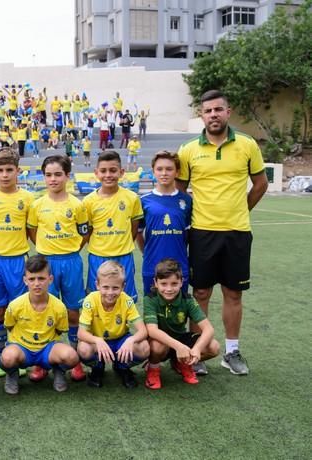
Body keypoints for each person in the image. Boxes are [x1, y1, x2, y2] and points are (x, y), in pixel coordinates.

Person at [176, 89, 268, 376]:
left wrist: (241, 210)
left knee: (233, 293)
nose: (213, 115)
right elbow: (180, 191)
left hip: (237, 232)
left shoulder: (246, 144)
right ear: (201, 115)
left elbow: (260, 183)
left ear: (228, 112)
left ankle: (231, 352)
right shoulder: (189, 150)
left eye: (218, 109)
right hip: (202, 232)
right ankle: (197, 351)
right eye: (208, 111)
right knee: (200, 292)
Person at [27, 155, 89, 383]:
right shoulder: (37, 205)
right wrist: (46, 250)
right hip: (47, 262)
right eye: (48, 175)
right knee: (44, 311)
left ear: (67, 176)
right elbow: (32, 233)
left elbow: (84, 233)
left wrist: (70, 249)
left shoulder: (77, 205)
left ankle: (75, 360)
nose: (53, 179)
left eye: (58, 174)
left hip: (71, 261)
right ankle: (42, 361)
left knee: (73, 311)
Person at [0, 148, 34, 376]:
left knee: (20, 310)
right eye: (0, 170)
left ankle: (20, 355)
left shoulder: (28, 199)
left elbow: (32, 231)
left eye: (9, 170)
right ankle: (2, 357)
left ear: (18, 171)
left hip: (18, 260)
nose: (5, 174)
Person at [0, 255, 80, 394]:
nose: (37, 283)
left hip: (47, 350)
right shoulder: (15, 305)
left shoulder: (59, 307)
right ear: (25, 280)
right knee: (7, 357)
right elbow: (10, 326)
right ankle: (12, 374)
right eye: (32, 279)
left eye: (41, 278)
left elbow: (59, 331)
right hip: (22, 349)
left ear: (50, 279)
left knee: (72, 356)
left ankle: (58, 370)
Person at [144, 259, 220, 390]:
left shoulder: (188, 300)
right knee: (157, 346)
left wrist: (196, 349)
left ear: (181, 282)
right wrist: (179, 347)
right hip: (161, 342)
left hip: (180, 339)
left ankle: (183, 364)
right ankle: (153, 369)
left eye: (174, 283)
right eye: (164, 284)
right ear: (156, 283)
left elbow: (208, 329)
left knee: (214, 347)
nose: (169, 289)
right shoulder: (150, 299)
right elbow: (152, 331)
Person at [81, 150, 143, 302]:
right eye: (103, 171)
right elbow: (88, 231)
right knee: (97, 299)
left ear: (121, 172)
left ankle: (123, 327)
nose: (108, 175)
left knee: (124, 300)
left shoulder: (132, 198)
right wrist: (101, 247)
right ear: (96, 173)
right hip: (98, 257)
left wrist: (122, 244)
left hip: (124, 256)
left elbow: (134, 227)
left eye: (113, 170)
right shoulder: (88, 201)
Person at [77, 261, 150, 388]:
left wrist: (131, 340)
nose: (110, 292)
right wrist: (97, 340)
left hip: (120, 340)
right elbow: (81, 333)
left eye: (115, 288)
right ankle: (98, 368)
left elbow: (143, 331)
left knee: (144, 348)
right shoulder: (90, 300)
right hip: (98, 341)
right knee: (83, 349)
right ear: (97, 285)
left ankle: (122, 366)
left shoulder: (126, 300)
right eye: (105, 287)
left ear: (123, 287)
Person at [137, 151, 192, 296]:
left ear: (177, 172)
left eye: (169, 169)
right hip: (152, 265)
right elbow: (139, 233)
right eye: (159, 169)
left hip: (180, 267)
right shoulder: (144, 200)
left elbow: (188, 235)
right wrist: (147, 252)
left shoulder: (186, 200)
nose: (164, 173)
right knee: (152, 312)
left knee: (179, 313)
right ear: (153, 172)